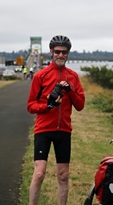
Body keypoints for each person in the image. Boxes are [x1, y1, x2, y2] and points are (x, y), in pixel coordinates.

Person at [27, 35, 85, 205]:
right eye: (57, 52)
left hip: (64, 130)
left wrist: (70, 90)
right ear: (51, 52)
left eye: (64, 52)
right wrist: (48, 105)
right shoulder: (41, 76)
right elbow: (30, 105)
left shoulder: (73, 76)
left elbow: (80, 105)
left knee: (63, 175)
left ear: (68, 54)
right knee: (39, 173)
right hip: (43, 129)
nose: (60, 55)